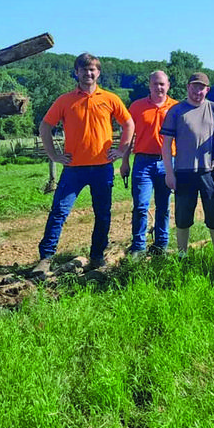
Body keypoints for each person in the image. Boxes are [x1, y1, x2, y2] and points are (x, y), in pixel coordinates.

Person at [31, 53, 134, 279]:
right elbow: (45, 126)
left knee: (103, 214)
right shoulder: (65, 100)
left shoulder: (110, 98)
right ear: (76, 72)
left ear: (98, 73)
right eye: (84, 69)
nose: (89, 73)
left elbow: (128, 122)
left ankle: (97, 256)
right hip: (74, 169)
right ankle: (45, 259)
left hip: (102, 168)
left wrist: (122, 149)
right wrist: (53, 154)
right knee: (59, 211)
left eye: (93, 70)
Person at [160, 72, 214, 257]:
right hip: (183, 172)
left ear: (207, 89)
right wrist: (169, 172)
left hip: (210, 172)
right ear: (188, 87)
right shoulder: (175, 111)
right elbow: (166, 145)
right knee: (183, 218)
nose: (197, 91)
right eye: (194, 86)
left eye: (201, 87)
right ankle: (182, 257)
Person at [120, 71, 178, 255]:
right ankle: (138, 245)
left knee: (164, 206)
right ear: (149, 85)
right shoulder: (137, 107)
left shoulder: (176, 107)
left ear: (168, 85)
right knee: (140, 205)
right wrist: (124, 162)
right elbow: (128, 137)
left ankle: (161, 244)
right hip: (142, 162)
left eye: (162, 84)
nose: (159, 87)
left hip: (167, 162)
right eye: (155, 84)